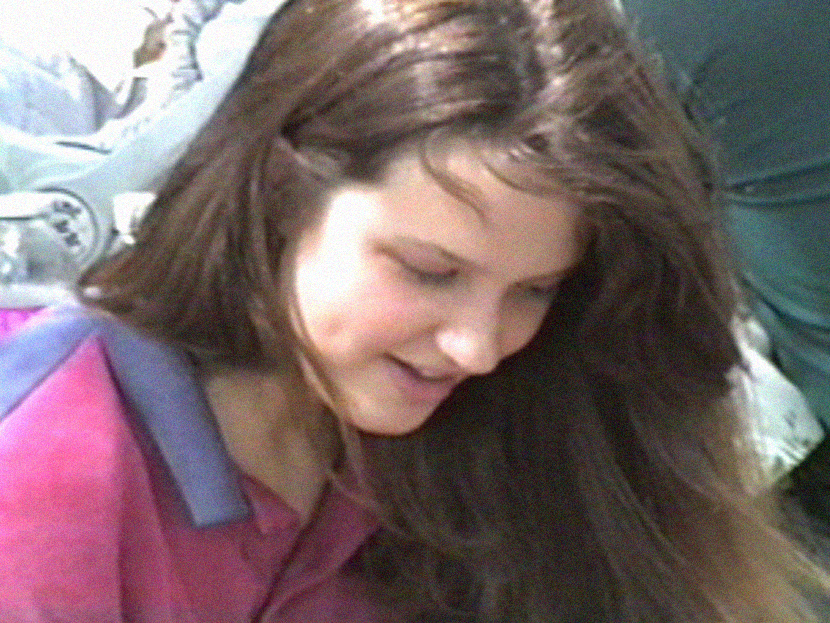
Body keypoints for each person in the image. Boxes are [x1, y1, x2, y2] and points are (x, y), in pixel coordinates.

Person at [0, 0, 824, 621]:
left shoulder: (481, 436)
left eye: (535, 290)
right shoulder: (45, 477)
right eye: (430, 272)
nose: (477, 347)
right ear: (278, 191)